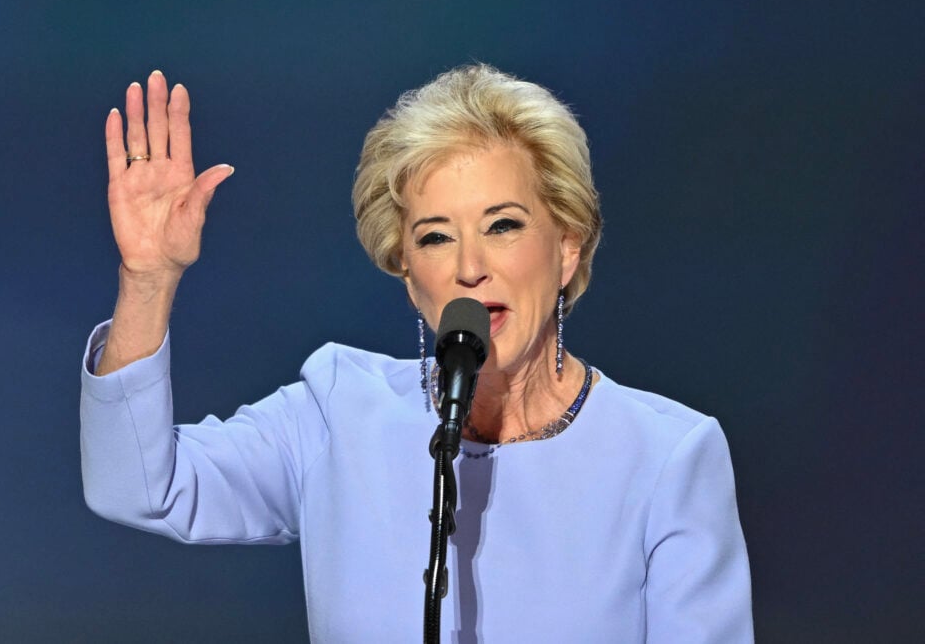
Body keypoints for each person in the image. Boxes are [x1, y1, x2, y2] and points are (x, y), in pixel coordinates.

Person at [81, 65, 754, 642]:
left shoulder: (667, 457)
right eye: (435, 237)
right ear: (407, 272)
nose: (470, 265)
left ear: (567, 245)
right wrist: (148, 278)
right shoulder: (339, 414)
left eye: (503, 225)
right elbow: (138, 485)